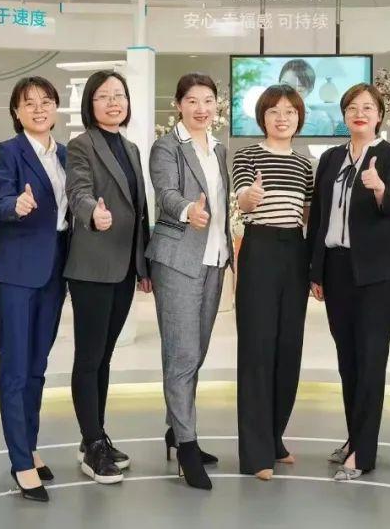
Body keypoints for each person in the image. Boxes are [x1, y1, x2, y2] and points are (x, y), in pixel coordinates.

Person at [306, 83, 390, 481]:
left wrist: (380, 188)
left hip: (376, 274)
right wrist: (316, 270)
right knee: (347, 361)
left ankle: (363, 454)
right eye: (352, 107)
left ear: (379, 115)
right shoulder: (331, 158)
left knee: (370, 361)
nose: (359, 113)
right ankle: (355, 438)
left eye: (367, 107)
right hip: (336, 269)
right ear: (344, 115)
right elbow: (318, 217)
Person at [64, 70, 151, 486]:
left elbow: (140, 210)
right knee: (88, 358)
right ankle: (92, 445)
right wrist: (91, 214)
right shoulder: (81, 145)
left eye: (119, 95)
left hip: (124, 266)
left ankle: (95, 436)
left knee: (105, 356)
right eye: (103, 96)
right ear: (90, 104)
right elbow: (78, 191)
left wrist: (143, 265)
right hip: (93, 266)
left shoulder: (131, 147)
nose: (113, 103)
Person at [147, 72, 232, 490]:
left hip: (214, 259)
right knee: (181, 356)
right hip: (178, 260)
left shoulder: (220, 149)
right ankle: (187, 446)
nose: (202, 108)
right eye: (193, 101)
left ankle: (176, 429)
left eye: (208, 100)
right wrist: (187, 211)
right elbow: (165, 193)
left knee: (195, 353)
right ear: (178, 105)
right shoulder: (166, 147)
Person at [0, 77, 68, 502]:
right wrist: (16, 206)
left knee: (37, 365)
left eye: (46, 101)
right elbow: (1, 200)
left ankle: (30, 447)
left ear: (56, 107)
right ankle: (20, 462)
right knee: (16, 369)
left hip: (54, 271)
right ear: (16, 112)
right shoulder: (8, 151)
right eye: (29, 103)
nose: (39, 109)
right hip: (17, 273)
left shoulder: (66, 155)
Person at [233, 84, 314, 481]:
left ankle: (274, 436)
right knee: (257, 349)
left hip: (295, 252)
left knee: (288, 349)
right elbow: (243, 199)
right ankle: (255, 453)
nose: (282, 118)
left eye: (289, 111)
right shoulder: (247, 156)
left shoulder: (305, 165)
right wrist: (250, 197)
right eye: (274, 111)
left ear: (299, 118)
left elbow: (309, 216)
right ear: (262, 116)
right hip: (260, 248)